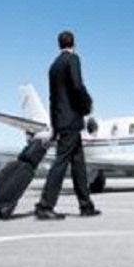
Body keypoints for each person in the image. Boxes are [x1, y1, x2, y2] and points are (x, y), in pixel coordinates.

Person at [34, 30, 100, 220]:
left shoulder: (53, 66)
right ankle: (45, 205)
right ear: (74, 44)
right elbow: (77, 85)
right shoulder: (73, 59)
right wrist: (87, 103)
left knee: (79, 165)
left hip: (62, 120)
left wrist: (55, 125)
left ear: (59, 45)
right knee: (60, 163)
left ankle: (86, 205)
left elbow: (53, 99)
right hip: (71, 120)